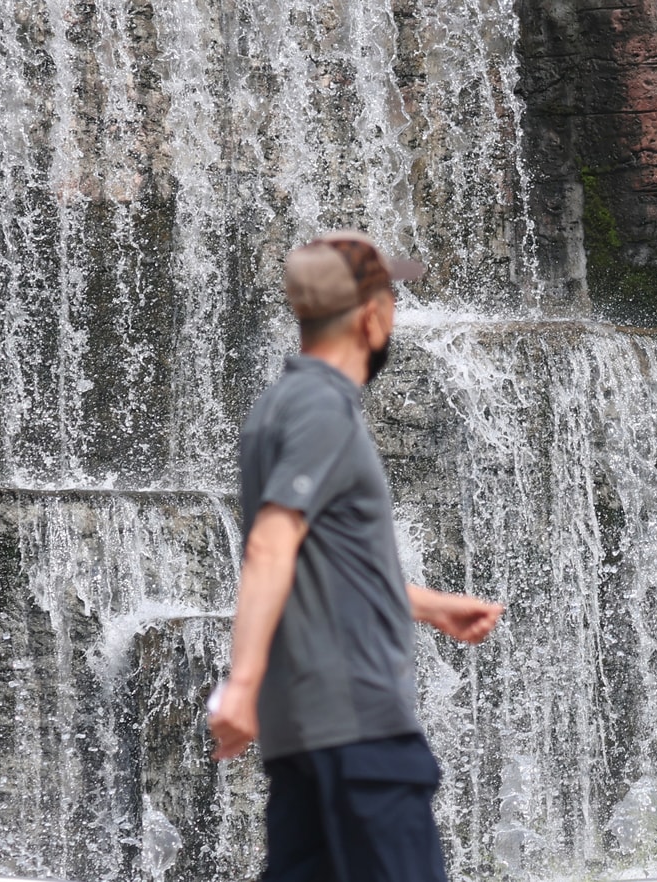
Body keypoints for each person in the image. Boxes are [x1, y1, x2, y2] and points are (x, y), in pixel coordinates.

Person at [208, 230, 504, 882]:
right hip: (360, 728)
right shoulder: (323, 411)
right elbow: (271, 544)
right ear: (371, 317)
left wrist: (428, 606)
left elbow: (320, 562)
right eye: (391, 299)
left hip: (304, 734)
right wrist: (241, 685)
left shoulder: (275, 408)